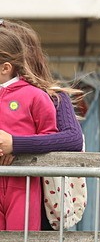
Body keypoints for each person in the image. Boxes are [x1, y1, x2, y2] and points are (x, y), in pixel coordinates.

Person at [0, 21, 86, 229]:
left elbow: (72, 139)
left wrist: (16, 144)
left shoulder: (53, 96)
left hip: (45, 200)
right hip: (13, 188)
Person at [0, 19, 60, 231]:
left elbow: (50, 136)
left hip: (24, 183)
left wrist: (17, 145)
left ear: (6, 68)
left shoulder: (36, 96)